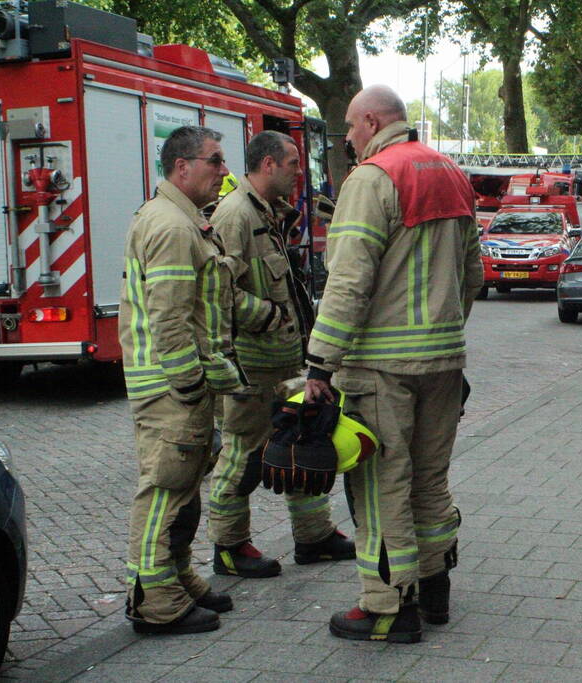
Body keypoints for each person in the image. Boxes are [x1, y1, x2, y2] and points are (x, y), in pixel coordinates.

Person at [301, 85, 483, 643]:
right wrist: (444, 334)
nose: (348, 140)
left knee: (381, 485)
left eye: (350, 129)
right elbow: (473, 273)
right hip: (443, 362)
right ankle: (434, 590)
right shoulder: (452, 173)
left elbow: (349, 283)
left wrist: (319, 367)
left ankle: (386, 607)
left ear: (372, 121)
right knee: (431, 481)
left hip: (381, 366)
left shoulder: (372, 179)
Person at [207, 131, 354, 579]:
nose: (298, 171)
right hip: (252, 369)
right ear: (268, 164)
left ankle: (314, 536)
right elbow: (219, 294)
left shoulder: (267, 214)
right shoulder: (234, 217)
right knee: (242, 454)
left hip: (284, 363)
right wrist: (269, 316)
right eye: (292, 162)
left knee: (306, 439)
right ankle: (229, 547)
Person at [119, 126, 246, 634]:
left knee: (185, 486)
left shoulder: (183, 220)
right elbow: (170, 319)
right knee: (165, 488)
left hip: (180, 385)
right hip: (172, 389)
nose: (223, 171)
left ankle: (175, 576)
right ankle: (155, 602)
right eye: (215, 161)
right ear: (182, 167)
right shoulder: (172, 226)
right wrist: (190, 386)